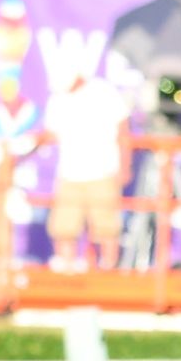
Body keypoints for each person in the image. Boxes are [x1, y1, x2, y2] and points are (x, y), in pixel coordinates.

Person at [36, 68, 133, 270]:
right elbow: (48, 134)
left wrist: (125, 166)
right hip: (70, 173)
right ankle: (66, 269)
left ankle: (109, 269)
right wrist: (21, 151)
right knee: (64, 226)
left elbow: (123, 130)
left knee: (107, 227)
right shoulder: (58, 99)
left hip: (103, 171)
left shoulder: (103, 92)